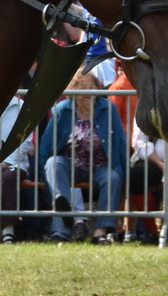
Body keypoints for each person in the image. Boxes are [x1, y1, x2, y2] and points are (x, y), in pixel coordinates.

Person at [39, 71, 128, 243]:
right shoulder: (61, 110)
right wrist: (43, 173)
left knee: (113, 178)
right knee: (53, 163)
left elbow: (119, 140)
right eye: (82, 88)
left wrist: (122, 170)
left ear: (98, 89)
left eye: (91, 87)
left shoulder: (107, 108)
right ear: (73, 90)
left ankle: (100, 232)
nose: (88, 92)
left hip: (100, 164)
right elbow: (46, 144)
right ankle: (61, 231)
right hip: (70, 163)